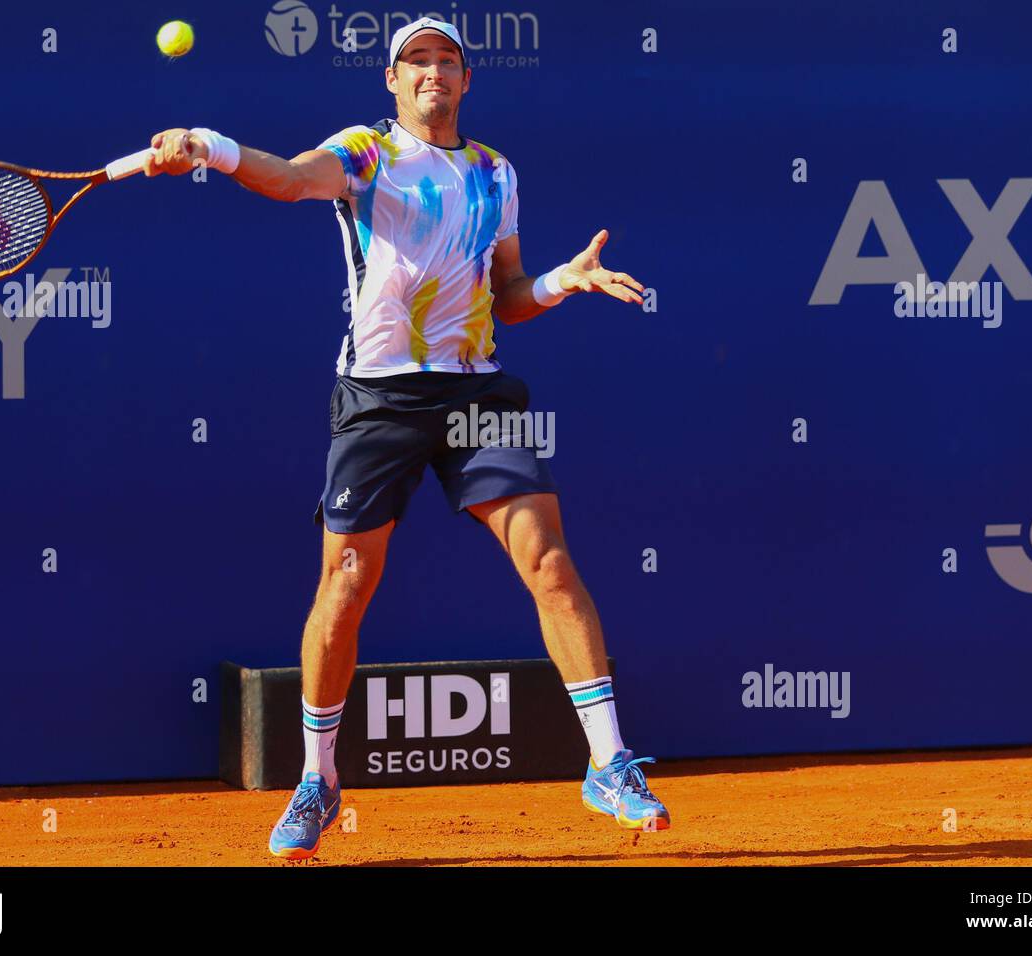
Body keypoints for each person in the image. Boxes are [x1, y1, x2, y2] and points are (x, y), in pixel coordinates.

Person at [145, 17, 669, 861]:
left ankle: (608, 764)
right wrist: (211, 144)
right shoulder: (363, 153)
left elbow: (508, 294)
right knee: (346, 580)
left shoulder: (496, 172)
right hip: (379, 401)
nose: (433, 73)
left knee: (549, 560)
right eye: (416, 61)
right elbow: (285, 180)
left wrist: (560, 283)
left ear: (466, 81)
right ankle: (317, 780)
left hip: (476, 392)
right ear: (392, 81)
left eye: (446, 61)